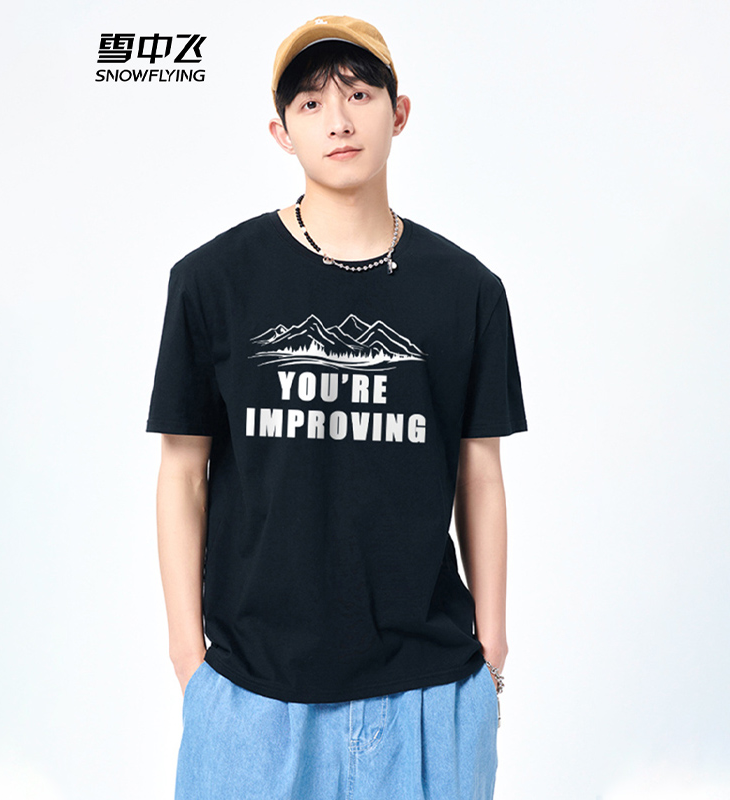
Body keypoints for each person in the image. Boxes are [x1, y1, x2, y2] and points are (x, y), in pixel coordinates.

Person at [146, 14, 528, 800]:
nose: (339, 121)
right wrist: (190, 660)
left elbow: (480, 473)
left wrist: (491, 651)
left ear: (399, 112)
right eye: (312, 103)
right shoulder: (212, 282)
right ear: (281, 132)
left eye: (358, 94)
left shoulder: (467, 292)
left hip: (428, 694)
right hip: (251, 697)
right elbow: (182, 472)